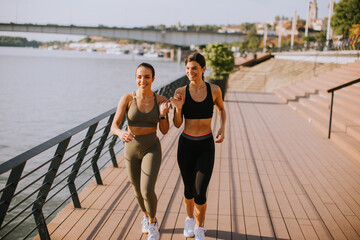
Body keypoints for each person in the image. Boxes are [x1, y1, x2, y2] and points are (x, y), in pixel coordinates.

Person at [111, 62, 171, 240]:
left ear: (153, 78)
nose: (142, 80)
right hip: (131, 148)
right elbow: (114, 126)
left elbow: (165, 130)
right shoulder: (127, 99)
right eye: (139, 76)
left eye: (146, 76)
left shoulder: (161, 100)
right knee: (136, 189)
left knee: (147, 190)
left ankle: (153, 223)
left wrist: (162, 114)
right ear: (135, 78)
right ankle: (145, 216)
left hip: (151, 147)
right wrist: (121, 133)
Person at [170, 52, 226, 240]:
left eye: (194, 68)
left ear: (203, 69)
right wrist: (178, 108)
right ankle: (188, 219)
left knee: (200, 191)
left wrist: (222, 127)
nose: (190, 71)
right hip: (186, 145)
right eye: (187, 69)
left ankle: (200, 227)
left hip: (206, 145)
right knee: (188, 189)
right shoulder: (181, 92)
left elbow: (221, 109)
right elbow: (177, 124)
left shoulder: (215, 90)